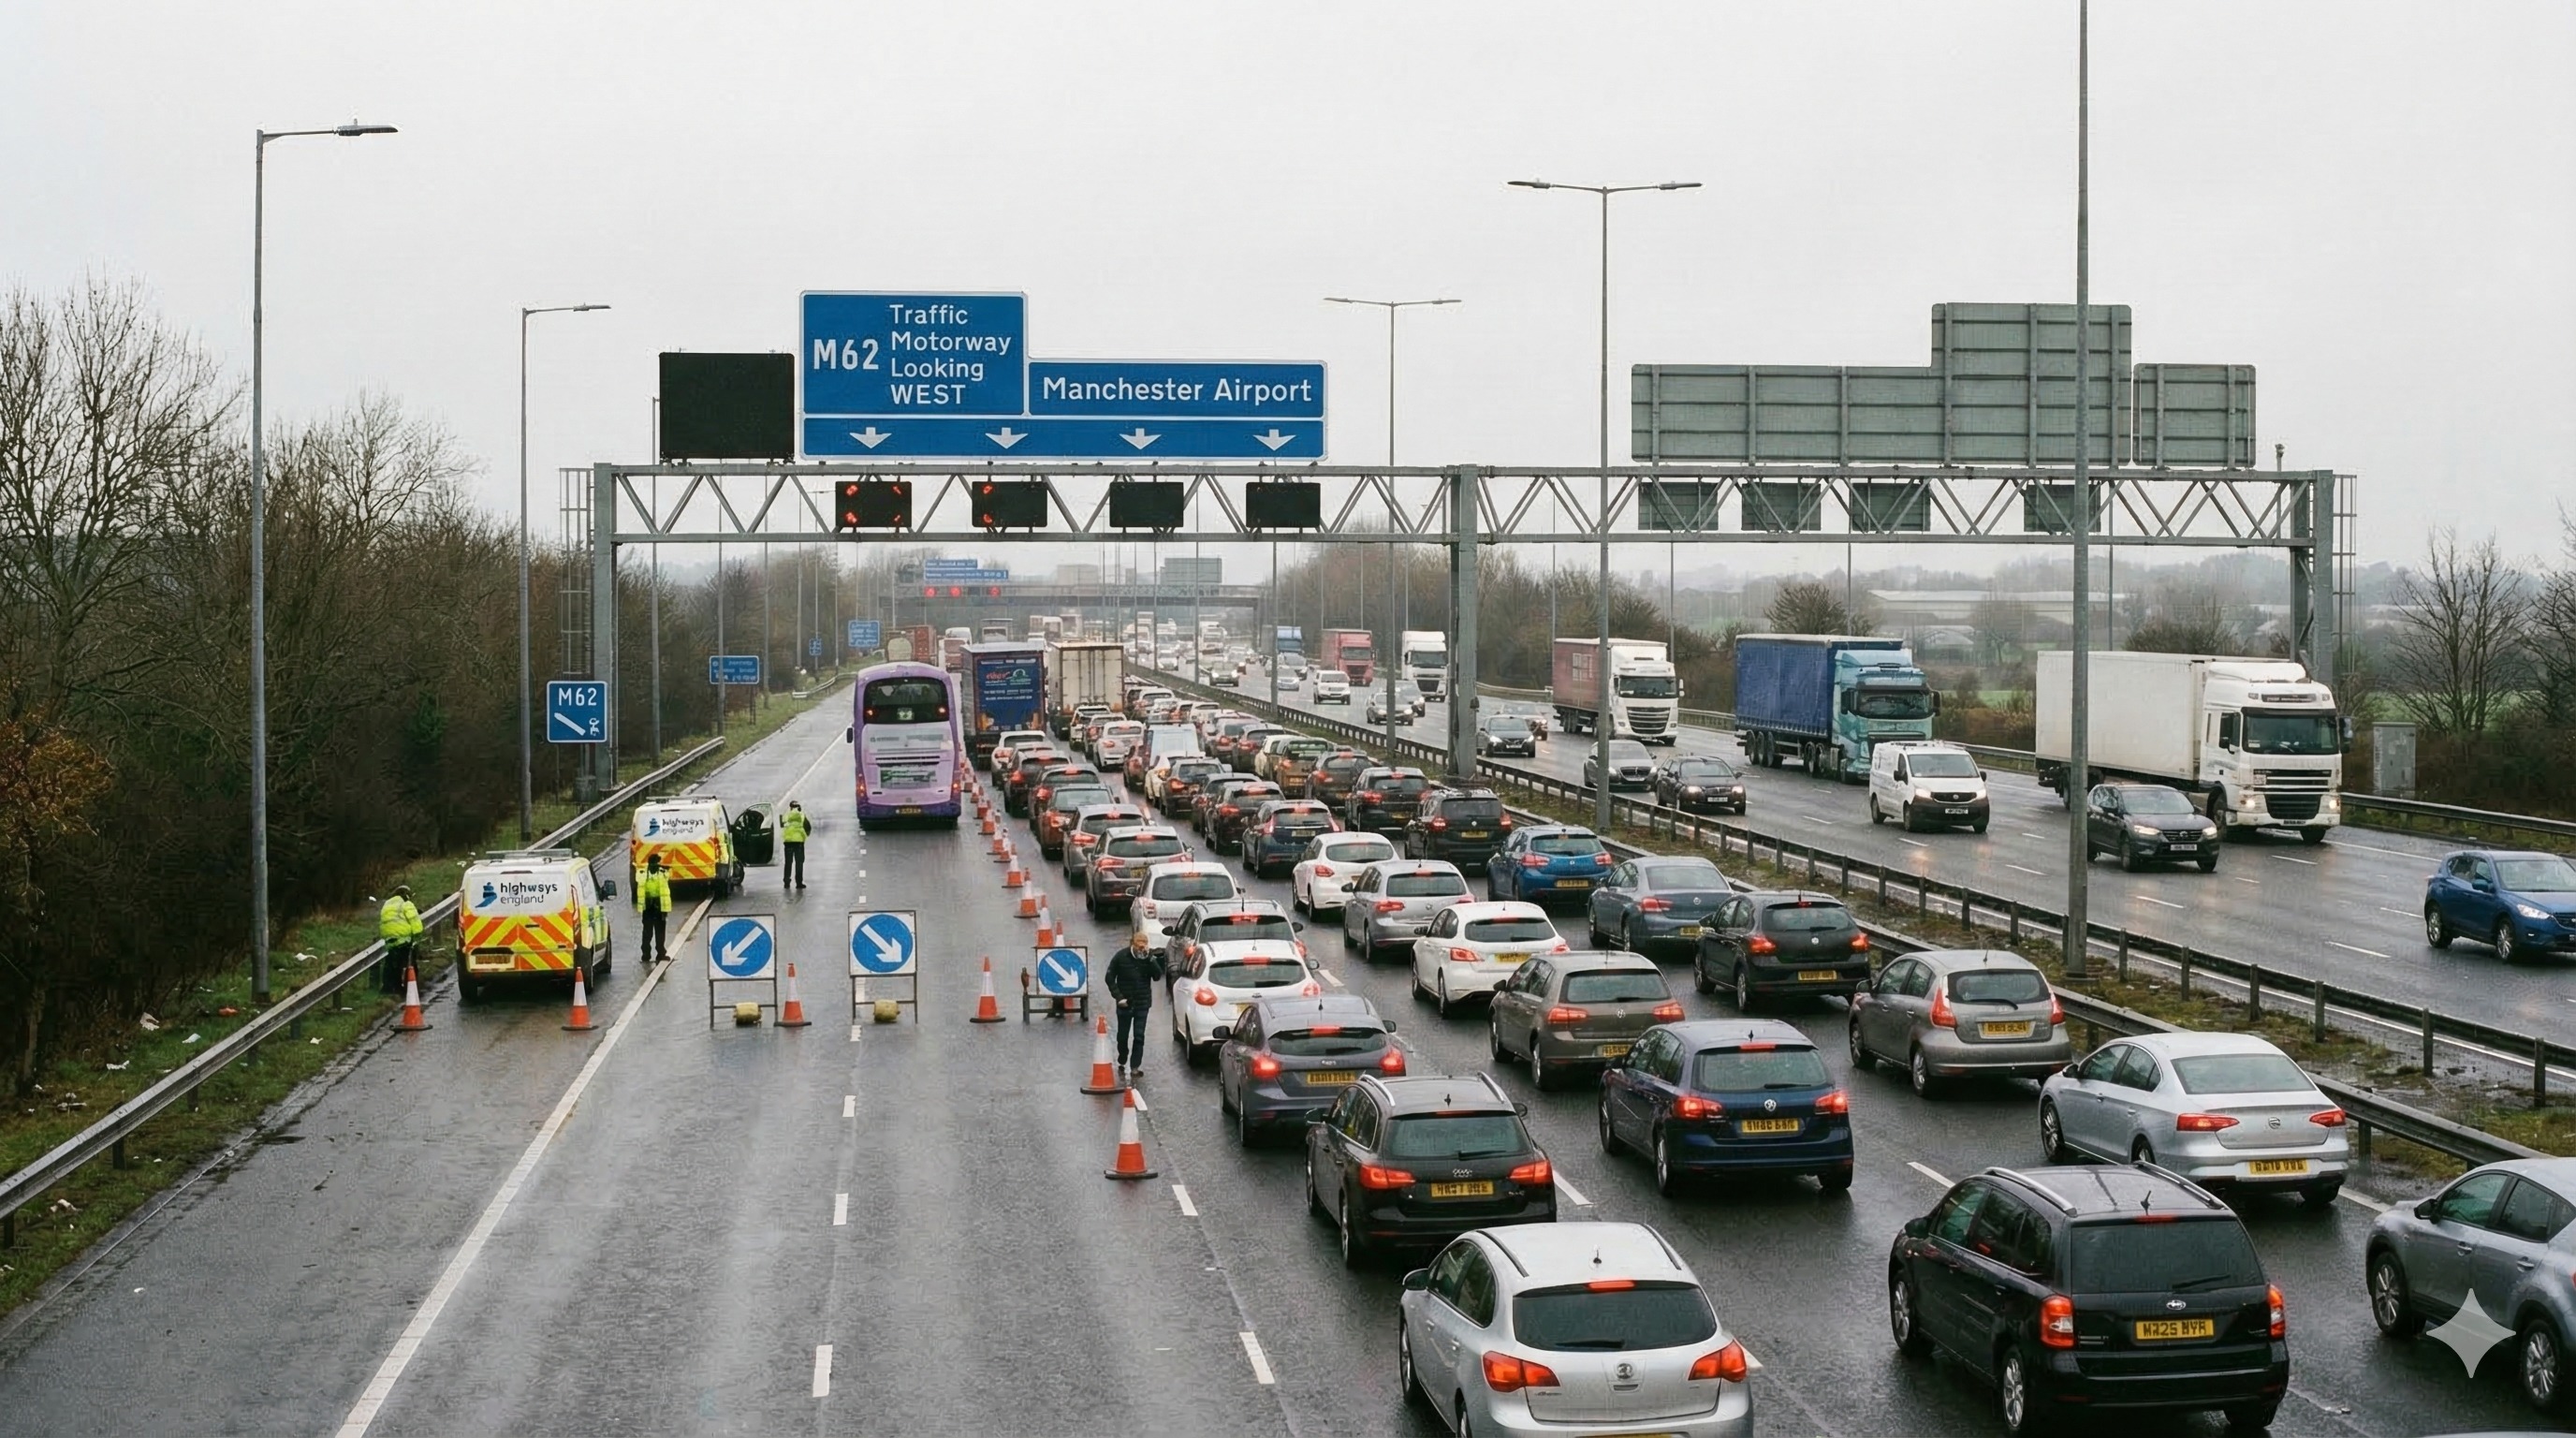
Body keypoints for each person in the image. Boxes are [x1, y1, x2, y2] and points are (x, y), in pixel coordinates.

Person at [1104, 929, 1166, 1083]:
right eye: (1139, 945)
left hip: (1142, 1004)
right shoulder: (1121, 956)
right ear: (1132, 944)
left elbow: (1158, 976)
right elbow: (1109, 977)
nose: (1142, 948)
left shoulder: (1148, 958)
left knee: (1139, 1036)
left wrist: (1151, 959)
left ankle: (1135, 1067)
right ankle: (1122, 1057)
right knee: (1123, 1036)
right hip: (1125, 1003)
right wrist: (1119, 997)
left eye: (1144, 945)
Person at [377, 884, 422, 994]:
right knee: (408, 963)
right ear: (406, 895)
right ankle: (407, 987)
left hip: (389, 938)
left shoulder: (387, 904)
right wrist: (417, 935)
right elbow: (416, 925)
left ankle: (387, 987)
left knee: (390, 963)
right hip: (403, 938)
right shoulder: (406, 904)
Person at [635, 854, 672, 962]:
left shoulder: (663, 873)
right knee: (647, 932)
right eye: (655, 863)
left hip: (660, 906)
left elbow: (668, 875)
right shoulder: (643, 873)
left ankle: (661, 953)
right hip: (648, 906)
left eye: (658, 863)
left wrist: (664, 869)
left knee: (660, 932)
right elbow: (639, 879)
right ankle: (646, 954)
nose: (657, 865)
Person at [779, 800, 811, 889]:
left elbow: (781, 824)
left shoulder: (786, 815)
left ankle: (786, 882)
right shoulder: (802, 815)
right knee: (799, 863)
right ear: (799, 807)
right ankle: (799, 883)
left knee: (788, 863)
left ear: (790, 807)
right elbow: (808, 828)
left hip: (788, 842)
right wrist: (804, 836)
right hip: (799, 842)